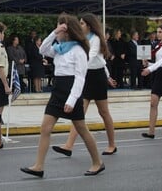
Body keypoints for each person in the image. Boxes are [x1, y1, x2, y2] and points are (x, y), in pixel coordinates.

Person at [20, 14, 104, 178]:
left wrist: (72, 100)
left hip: (71, 92)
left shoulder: (78, 50)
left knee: (82, 129)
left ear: (69, 31)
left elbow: (80, 77)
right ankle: (39, 166)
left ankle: (97, 162)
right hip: (57, 91)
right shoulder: (59, 49)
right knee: (45, 128)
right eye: (57, 28)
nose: (58, 32)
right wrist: (54, 31)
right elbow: (42, 49)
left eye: (61, 29)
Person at [52, 13, 118, 157]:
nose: (80, 25)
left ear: (89, 25)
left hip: (97, 77)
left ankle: (112, 144)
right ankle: (68, 145)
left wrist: (106, 77)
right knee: (79, 112)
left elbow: (94, 57)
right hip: (85, 77)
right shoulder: (80, 40)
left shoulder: (95, 39)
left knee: (104, 112)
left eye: (82, 23)